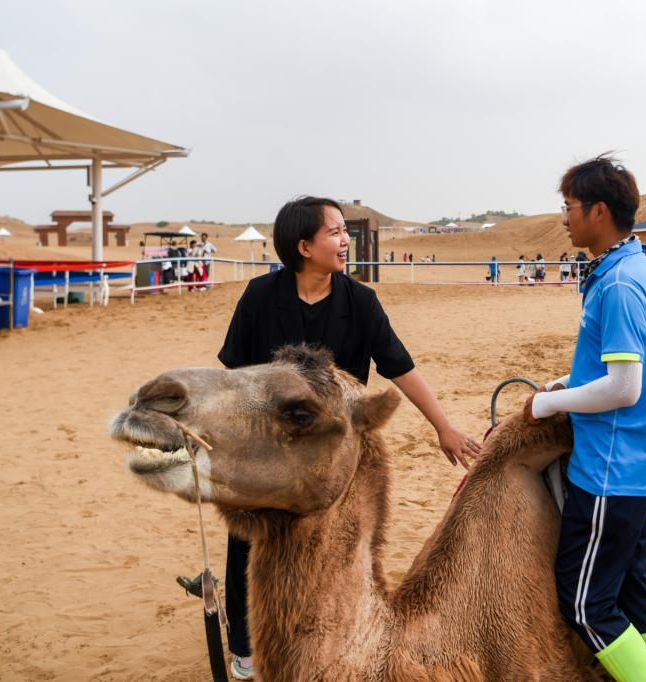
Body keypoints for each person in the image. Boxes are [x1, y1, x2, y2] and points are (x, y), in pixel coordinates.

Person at [176, 197, 480, 680]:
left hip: (335, 456)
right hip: (269, 451)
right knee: (249, 540)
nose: (345, 241)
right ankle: (246, 646)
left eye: (345, 231)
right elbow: (233, 376)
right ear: (304, 246)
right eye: (335, 232)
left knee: (336, 546)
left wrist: (443, 426)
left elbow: (398, 366)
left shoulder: (360, 302)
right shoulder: (259, 297)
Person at [523, 156, 646, 682]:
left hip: (609, 470)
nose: (564, 218)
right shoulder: (632, 268)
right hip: (635, 463)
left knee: (587, 605)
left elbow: (624, 387)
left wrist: (549, 405)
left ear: (599, 210)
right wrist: (570, 383)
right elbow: (615, 368)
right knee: (640, 587)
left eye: (569, 207)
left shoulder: (616, 286)